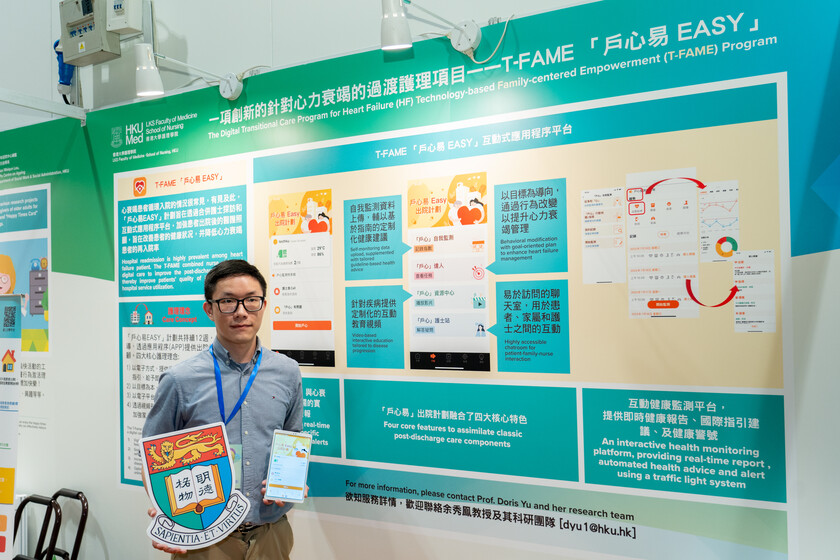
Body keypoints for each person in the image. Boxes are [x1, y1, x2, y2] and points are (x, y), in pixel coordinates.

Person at [142, 259, 303, 559]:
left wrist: (292, 482)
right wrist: (165, 509)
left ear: (263, 305)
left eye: (251, 300)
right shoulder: (180, 380)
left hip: (271, 533)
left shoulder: (287, 372)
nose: (241, 311)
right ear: (209, 309)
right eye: (228, 301)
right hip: (205, 540)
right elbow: (153, 458)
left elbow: (293, 440)